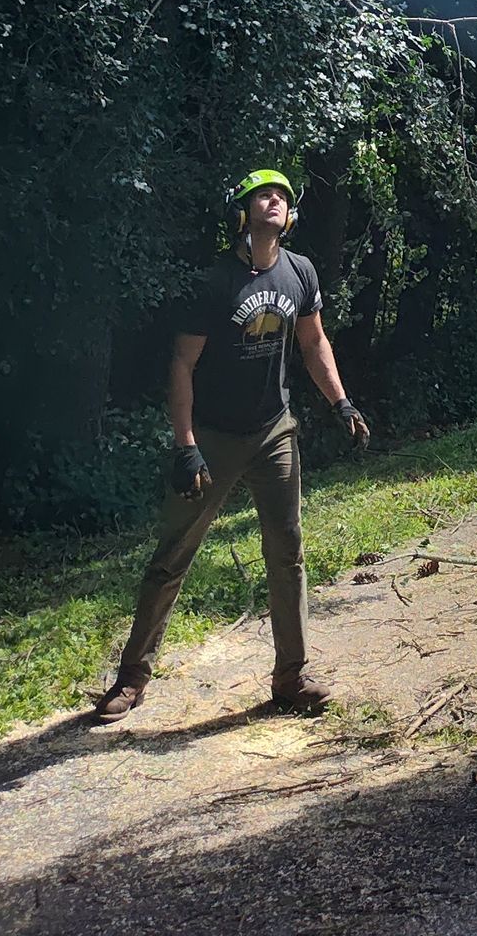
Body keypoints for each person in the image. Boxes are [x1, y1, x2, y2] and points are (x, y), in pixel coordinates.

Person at [91, 167, 371, 723]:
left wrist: (341, 402)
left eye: (283, 197)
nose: (276, 201)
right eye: (264, 194)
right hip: (213, 439)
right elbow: (182, 364)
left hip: (274, 431)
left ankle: (291, 679)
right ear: (241, 214)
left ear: (290, 217)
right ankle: (130, 680)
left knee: (287, 553)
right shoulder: (214, 282)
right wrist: (185, 445)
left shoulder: (300, 272)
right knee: (173, 555)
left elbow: (314, 343)